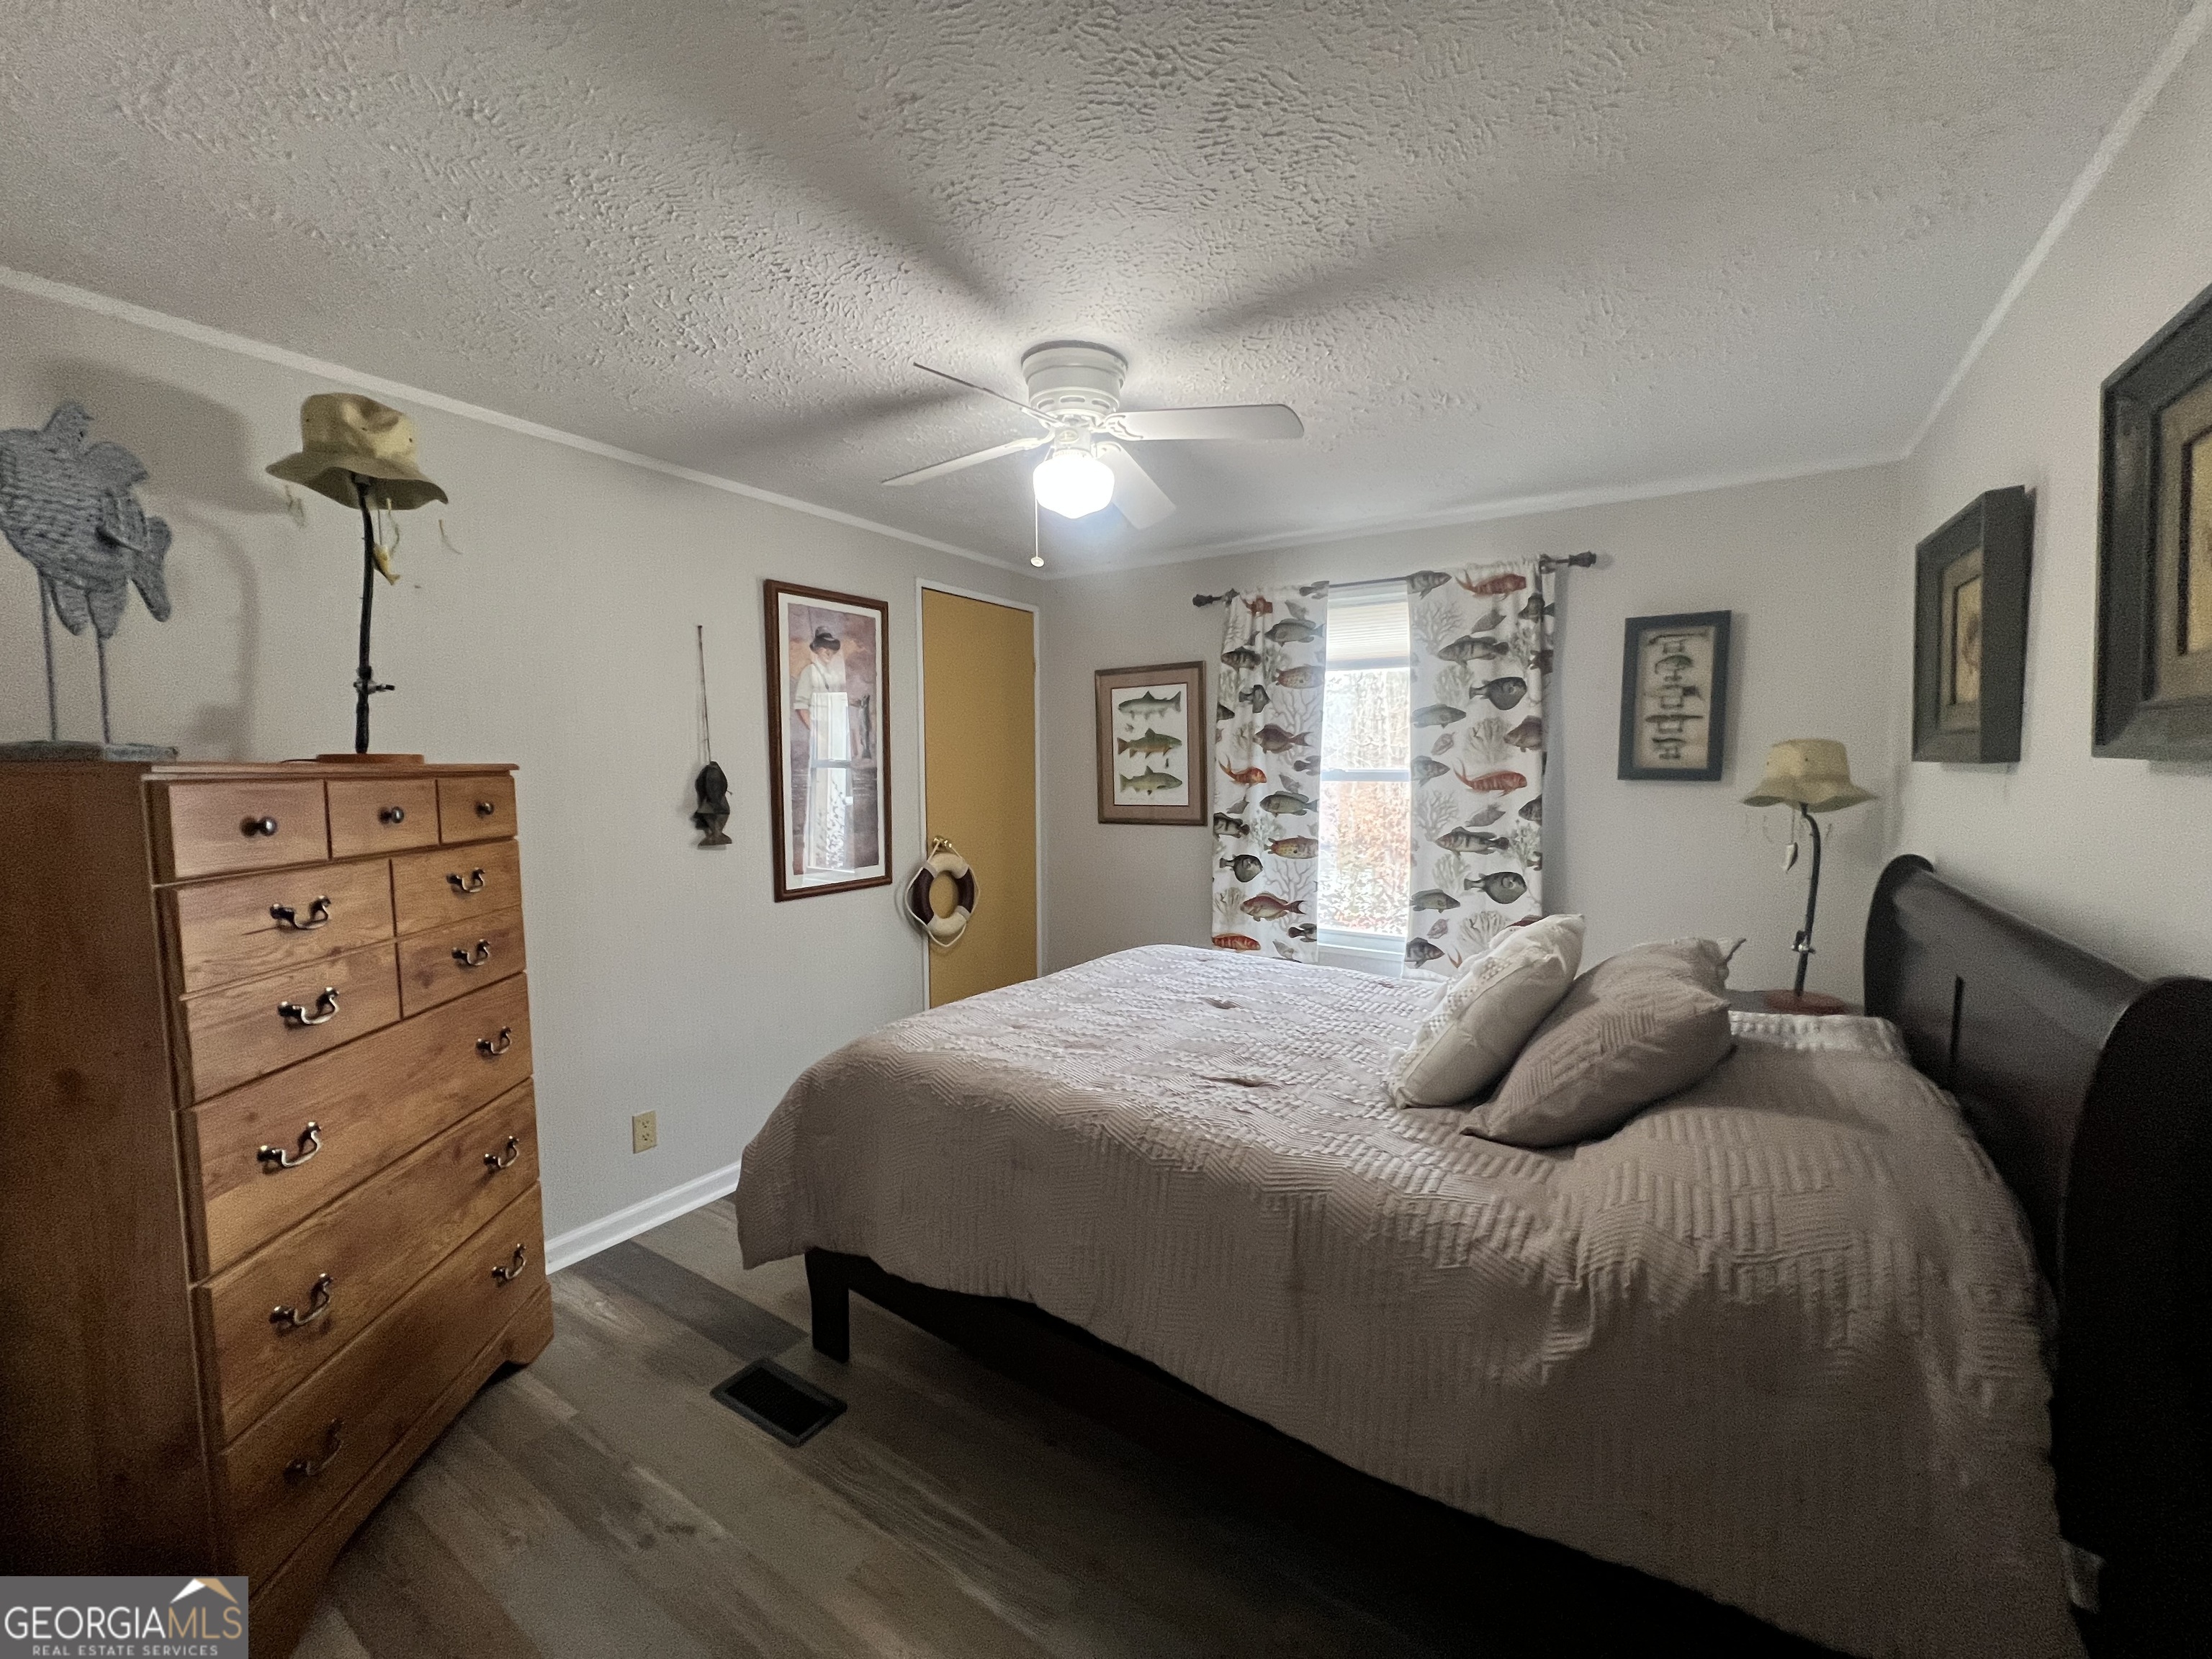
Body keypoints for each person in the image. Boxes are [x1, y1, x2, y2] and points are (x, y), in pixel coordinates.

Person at [792, 626, 850, 871]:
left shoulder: (833, 676)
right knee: (822, 789)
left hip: (838, 740)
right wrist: (816, 733)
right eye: (823, 649)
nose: (827, 653)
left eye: (830, 650)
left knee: (838, 789)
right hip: (823, 741)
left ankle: (836, 849)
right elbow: (801, 707)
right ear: (816, 650)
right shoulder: (810, 673)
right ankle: (818, 851)